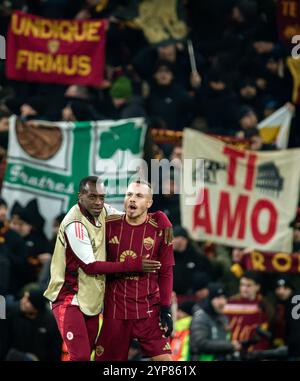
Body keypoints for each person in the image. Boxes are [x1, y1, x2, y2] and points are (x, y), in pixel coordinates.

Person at [44, 176, 161, 361]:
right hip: (68, 297)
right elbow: (91, 266)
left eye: (102, 197)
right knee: (80, 357)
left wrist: (158, 220)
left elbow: (129, 220)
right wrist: (135, 264)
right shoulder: (75, 224)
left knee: (87, 354)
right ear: (80, 196)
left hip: (92, 299)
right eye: (92, 197)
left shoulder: (103, 211)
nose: (98, 202)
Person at [95, 179, 175, 361]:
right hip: (116, 311)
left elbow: (166, 272)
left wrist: (165, 308)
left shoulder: (161, 230)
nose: (132, 199)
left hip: (148, 311)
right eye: (129, 194)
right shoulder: (109, 225)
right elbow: (95, 265)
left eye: (139, 196)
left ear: (149, 203)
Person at [189, 283, 241, 361]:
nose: (222, 302)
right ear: (210, 299)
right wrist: (230, 345)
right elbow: (201, 344)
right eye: (218, 298)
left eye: (224, 298)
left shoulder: (223, 318)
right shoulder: (200, 317)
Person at [274, 276, 300, 360]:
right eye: (278, 288)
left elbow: (295, 328)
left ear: (291, 289)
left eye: (285, 288)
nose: (281, 291)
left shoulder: (294, 301)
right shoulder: (281, 304)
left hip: (294, 351)